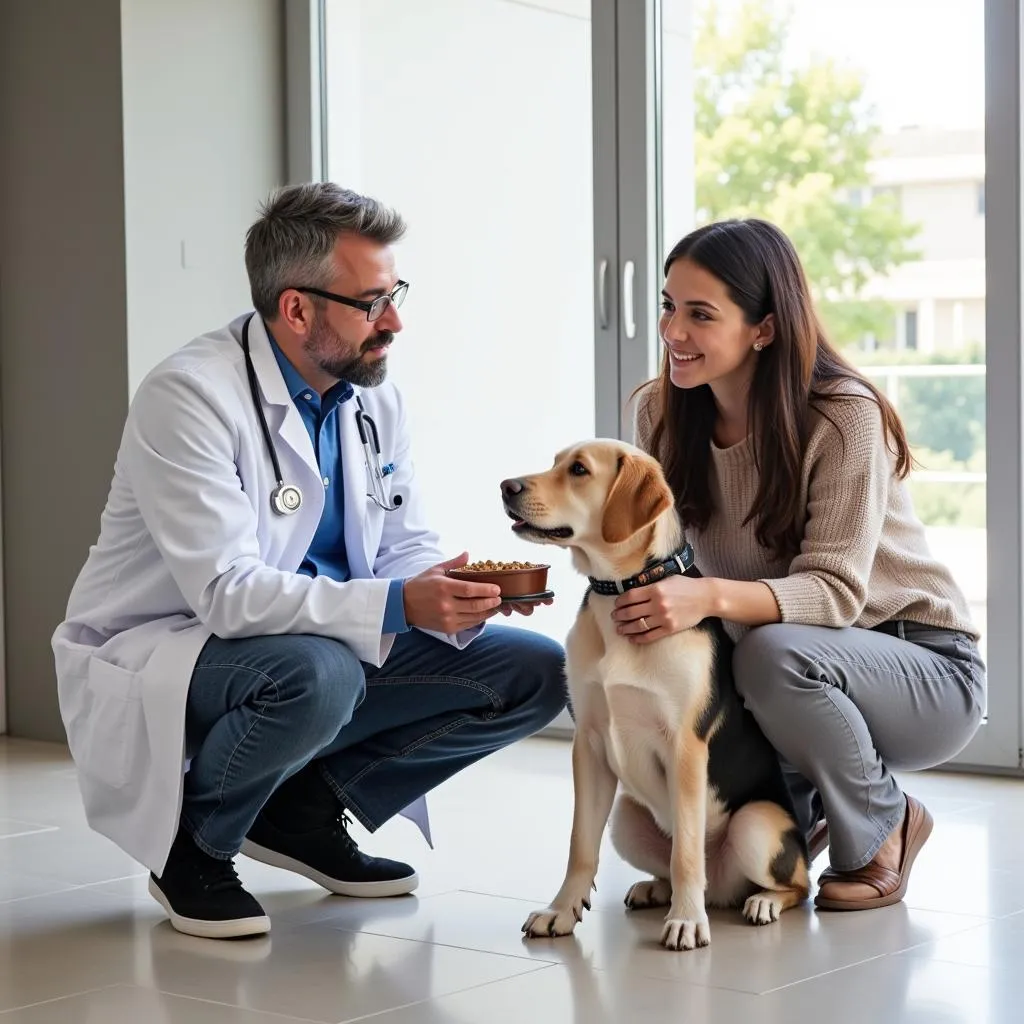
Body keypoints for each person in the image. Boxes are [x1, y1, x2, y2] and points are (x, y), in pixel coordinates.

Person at [51, 182, 566, 940]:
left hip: (317, 639)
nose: (394, 321)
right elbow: (227, 595)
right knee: (318, 674)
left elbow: (400, 545)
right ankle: (195, 845)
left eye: (395, 294)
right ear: (296, 310)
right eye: (371, 302)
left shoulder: (371, 398)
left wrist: (459, 592)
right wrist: (397, 605)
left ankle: (304, 811)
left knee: (533, 671)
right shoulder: (189, 395)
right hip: (178, 644)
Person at [619, 218, 985, 912]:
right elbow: (653, 556)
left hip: (923, 666)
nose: (674, 332)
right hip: (776, 659)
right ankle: (795, 819)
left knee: (767, 651)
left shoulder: (843, 415)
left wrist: (706, 599)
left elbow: (837, 594)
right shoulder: (658, 415)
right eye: (669, 306)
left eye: (701, 314)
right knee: (713, 667)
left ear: (763, 328)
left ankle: (885, 821)